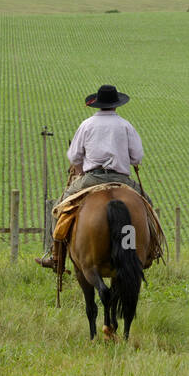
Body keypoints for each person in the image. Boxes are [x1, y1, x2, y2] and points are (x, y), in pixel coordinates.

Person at [37, 84, 151, 270]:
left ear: (98, 104)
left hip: (91, 179)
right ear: (116, 104)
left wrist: (81, 170)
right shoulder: (125, 125)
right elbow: (137, 157)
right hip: (121, 180)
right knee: (147, 205)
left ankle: (56, 256)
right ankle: (151, 250)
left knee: (59, 208)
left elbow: (74, 157)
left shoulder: (86, 125)